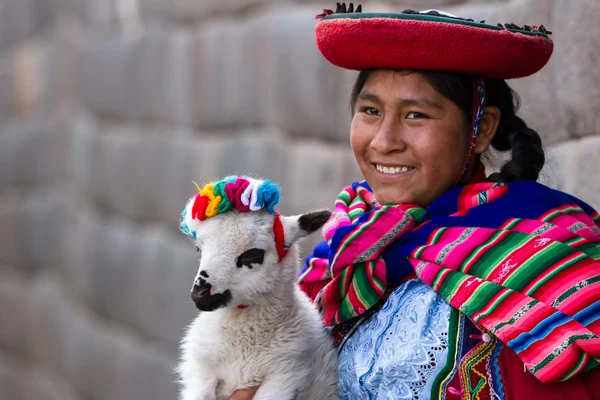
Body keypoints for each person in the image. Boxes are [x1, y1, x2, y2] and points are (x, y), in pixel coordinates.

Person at [230, 4, 600, 399]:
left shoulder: (548, 255)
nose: (385, 141)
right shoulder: (341, 257)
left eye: (416, 116)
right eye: (371, 111)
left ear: (481, 129)